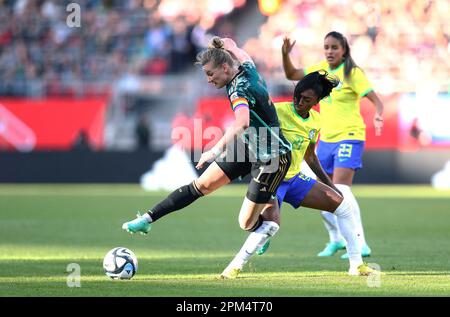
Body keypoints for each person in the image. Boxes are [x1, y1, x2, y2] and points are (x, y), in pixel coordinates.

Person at [122, 37, 292, 256]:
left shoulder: (238, 89)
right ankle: (147, 218)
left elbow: (242, 122)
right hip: (250, 144)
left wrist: (215, 149)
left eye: (210, 74)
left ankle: (265, 227)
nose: (209, 80)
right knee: (201, 185)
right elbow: (233, 46)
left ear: (224, 67)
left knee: (246, 223)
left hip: (272, 156)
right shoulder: (247, 66)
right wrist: (221, 42)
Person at [220, 71, 377, 278]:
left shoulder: (315, 121)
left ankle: (356, 265)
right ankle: (234, 267)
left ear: (317, 101)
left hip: (294, 178)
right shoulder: (277, 111)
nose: (299, 102)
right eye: (298, 96)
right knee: (270, 224)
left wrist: (330, 184)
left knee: (344, 207)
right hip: (271, 178)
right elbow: (252, 134)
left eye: (306, 99)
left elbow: (310, 157)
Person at [281, 31, 384, 259]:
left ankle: (361, 242)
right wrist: (285, 54)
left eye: (334, 47)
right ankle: (335, 239)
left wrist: (378, 113)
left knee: (342, 189)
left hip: (349, 135)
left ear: (344, 50)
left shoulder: (353, 73)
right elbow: (290, 74)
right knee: (324, 190)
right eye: (326, 47)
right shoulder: (319, 71)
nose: (329, 51)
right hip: (325, 138)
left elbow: (376, 99)